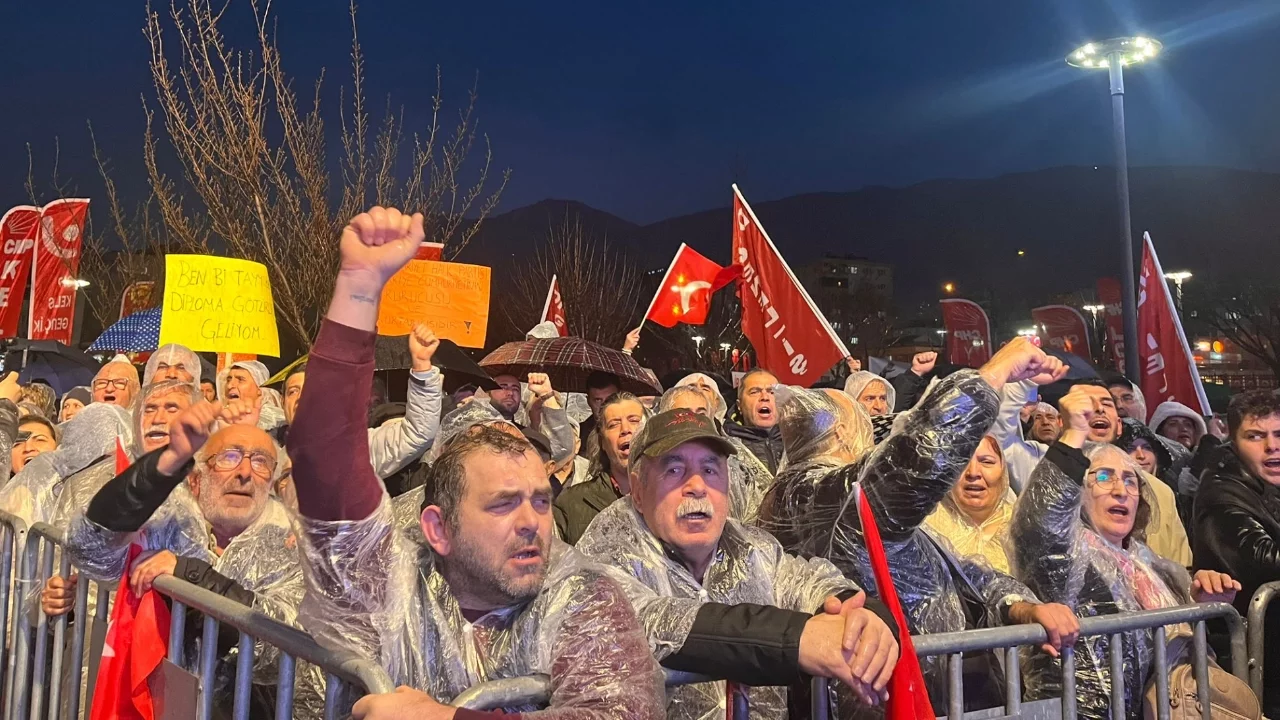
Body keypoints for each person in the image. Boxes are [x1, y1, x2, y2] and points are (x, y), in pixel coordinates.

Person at [288, 206, 665, 719]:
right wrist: (358, 288)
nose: (532, 521)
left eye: (538, 499)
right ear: (438, 529)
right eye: (503, 504)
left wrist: (446, 718)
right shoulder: (393, 585)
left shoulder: (584, 600)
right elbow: (324, 457)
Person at [758, 339, 1082, 711]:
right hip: (882, 701)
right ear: (841, 434)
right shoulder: (807, 494)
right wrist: (995, 372)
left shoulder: (828, 498)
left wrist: (1021, 606)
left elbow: (962, 573)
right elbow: (913, 464)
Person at [577, 408, 899, 719]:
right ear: (637, 490)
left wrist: (863, 616)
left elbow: (810, 582)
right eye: (674, 470)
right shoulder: (610, 545)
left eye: (710, 470)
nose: (697, 486)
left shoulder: (752, 546)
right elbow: (653, 621)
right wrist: (798, 638)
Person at [62, 402, 321, 717]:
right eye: (229, 457)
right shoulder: (170, 523)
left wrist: (188, 576)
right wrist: (170, 459)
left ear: (271, 482)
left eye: (261, 462)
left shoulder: (291, 546)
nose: (244, 473)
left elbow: (277, 647)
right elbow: (89, 546)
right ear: (199, 477)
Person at [1012, 385, 1241, 720]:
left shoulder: (1150, 564)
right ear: (1076, 492)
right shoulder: (1061, 556)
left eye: (1130, 481)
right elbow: (1039, 517)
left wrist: (1199, 604)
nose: (1121, 491)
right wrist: (1075, 431)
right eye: (1103, 477)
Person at [1193, 390, 1280, 717]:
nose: (1271, 446)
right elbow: (1261, 561)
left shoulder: (1269, 485)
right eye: (1256, 436)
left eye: (1278, 434)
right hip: (1255, 668)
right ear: (1233, 440)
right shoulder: (1221, 489)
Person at [279, 327, 445, 481]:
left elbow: (417, 433)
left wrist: (422, 366)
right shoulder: (267, 458)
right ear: (282, 402)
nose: (302, 397)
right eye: (293, 391)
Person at [656, 385, 773, 523]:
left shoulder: (734, 465)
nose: (695, 421)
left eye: (701, 414)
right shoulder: (654, 463)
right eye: (684, 414)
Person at [554, 392, 647, 543]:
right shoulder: (570, 504)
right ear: (602, 442)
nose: (625, 429)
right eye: (614, 424)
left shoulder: (670, 497)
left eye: (634, 420)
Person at [923, 436, 1016, 574]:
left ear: (1003, 472)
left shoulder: (1021, 525)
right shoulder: (926, 525)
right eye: (962, 462)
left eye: (986, 462)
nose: (973, 473)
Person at [724, 369, 783, 474]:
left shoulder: (800, 443)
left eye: (772, 392)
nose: (765, 397)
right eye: (754, 392)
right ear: (739, 406)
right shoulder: (725, 448)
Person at [219, 360, 287, 431]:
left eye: (240, 380)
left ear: (259, 389)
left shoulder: (277, 423)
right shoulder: (218, 419)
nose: (229, 386)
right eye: (228, 380)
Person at [577, 370, 622, 448]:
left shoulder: (634, 432)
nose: (604, 405)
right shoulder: (578, 435)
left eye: (610, 398)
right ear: (588, 401)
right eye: (598, 400)